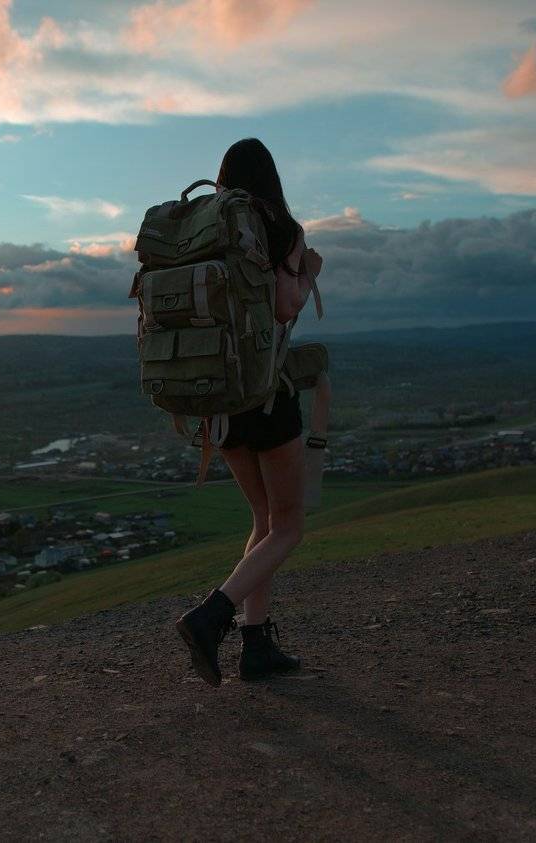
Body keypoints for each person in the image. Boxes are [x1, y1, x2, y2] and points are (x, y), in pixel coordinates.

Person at [175, 137, 324, 686]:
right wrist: (309, 271)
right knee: (288, 527)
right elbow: (286, 306)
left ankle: (255, 645)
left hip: (220, 399)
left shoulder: (203, 229)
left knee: (261, 521)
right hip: (266, 392)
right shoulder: (281, 228)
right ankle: (211, 615)